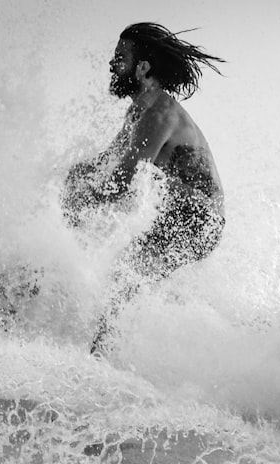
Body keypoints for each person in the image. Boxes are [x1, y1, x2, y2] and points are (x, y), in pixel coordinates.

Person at [62, 22, 225, 353]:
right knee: (124, 275)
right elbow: (106, 163)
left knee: (124, 278)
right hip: (179, 215)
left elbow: (123, 180)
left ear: (143, 67)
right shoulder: (139, 110)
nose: (112, 64)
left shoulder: (159, 111)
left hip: (198, 217)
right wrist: (65, 183)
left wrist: (78, 204)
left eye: (121, 56)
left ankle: (101, 359)